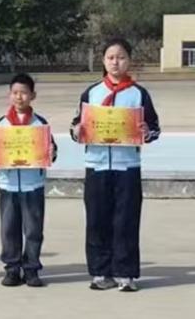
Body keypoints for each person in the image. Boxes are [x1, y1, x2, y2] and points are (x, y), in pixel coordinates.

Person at [71, 37, 160, 292]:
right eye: (110, 57)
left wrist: (146, 131)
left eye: (121, 57)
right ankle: (100, 272)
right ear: (103, 61)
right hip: (96, 166)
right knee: (96, 220)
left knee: (126, 221)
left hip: (127, 167)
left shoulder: (139, 94)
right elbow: (76, 126)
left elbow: (154, 128)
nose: (115, 62)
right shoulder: (91, 93)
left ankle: (125, 274)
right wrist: (77, 130)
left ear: (129, 61)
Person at [0, 73, 57, 287]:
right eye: (15, 93)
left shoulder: (40, 124)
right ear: (9, 95)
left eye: (24, 93)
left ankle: (31, 269)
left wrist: (52, 152)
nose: (19, 97)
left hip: (32, 185)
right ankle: (12, 269)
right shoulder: (1, 124)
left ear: (33, 95)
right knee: (9, 229)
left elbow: (52, 151)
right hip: (8, 185)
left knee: (34, 230)